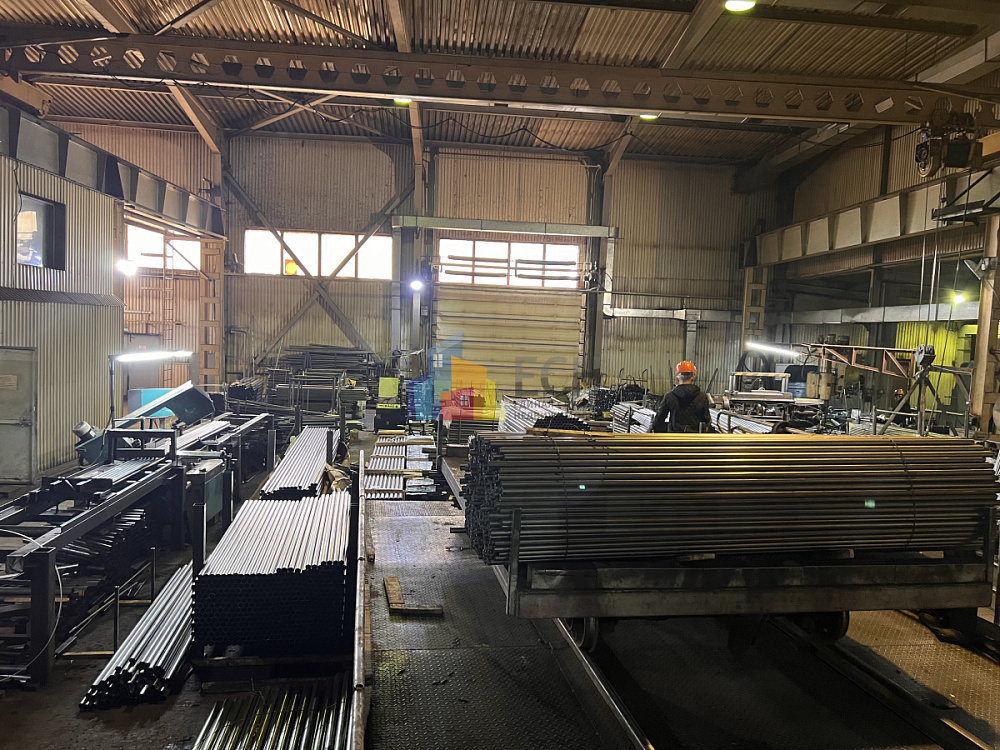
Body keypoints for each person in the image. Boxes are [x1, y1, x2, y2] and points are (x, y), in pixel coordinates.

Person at [651, 361, 713, 433]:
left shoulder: (669, 396)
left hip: (674, 437)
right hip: (694, 437)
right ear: (693, 378)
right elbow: (706, 420)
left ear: (678, 379)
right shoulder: (702, 397)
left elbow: (658, 420)